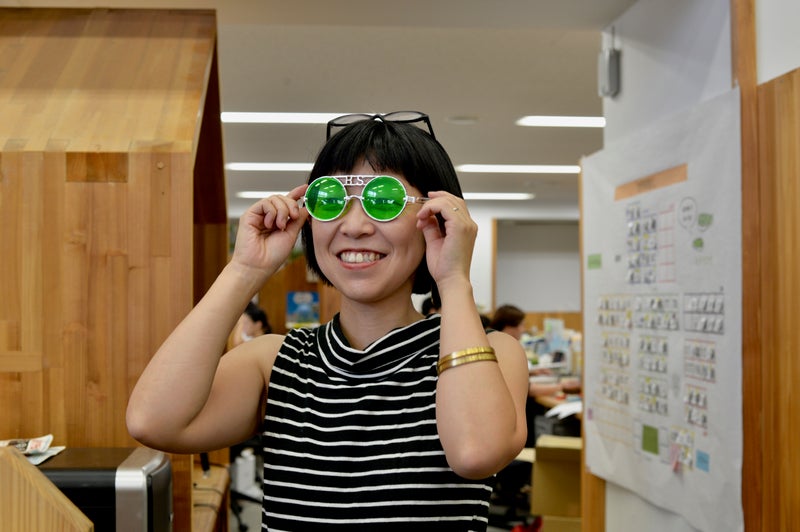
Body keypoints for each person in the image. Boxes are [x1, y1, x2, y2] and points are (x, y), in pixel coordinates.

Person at [126, 111, 529, 531]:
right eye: (331, 199)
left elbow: (474, 453)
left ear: (437, 219)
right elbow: (152, 422)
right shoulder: (275, 362)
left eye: (384, 200)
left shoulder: (494, 354)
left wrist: (453, 279)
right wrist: (245, 270)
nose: (353, 226)